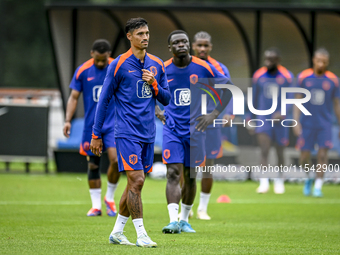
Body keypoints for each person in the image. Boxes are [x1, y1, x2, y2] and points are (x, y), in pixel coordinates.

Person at [90, 18, 171, 247]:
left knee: (135, 184)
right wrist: (96, 135)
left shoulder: (157, 64)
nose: (145, 37)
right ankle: (142, 234)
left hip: (148, 133)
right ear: (129, 37)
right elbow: (104, 100)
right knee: (136, 180)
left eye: (147, 33)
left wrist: (154, 84)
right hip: (126, 132)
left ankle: (117, 232)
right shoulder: (118, 65)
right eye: (140, 34)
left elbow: (166, 98)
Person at [158, 30, 231, 234]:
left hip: (196, 130)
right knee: (173, 173)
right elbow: (149, 90)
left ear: (188, 45)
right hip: (172, 129)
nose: (181, 45)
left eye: (184, 42)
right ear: (170, 47)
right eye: (176, 42)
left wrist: (213, 114)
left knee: (190, 176)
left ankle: (184, 220)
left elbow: (229, 88)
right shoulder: (162, 69)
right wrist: (157, 109)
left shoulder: (203, 67)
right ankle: (173, 220)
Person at [63, 39, 119, 217]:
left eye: (104, 59)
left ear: (108, 55)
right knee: (94, 165)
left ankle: (109, 198)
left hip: (113, 124)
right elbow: (73, 97)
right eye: (98, 59)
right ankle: (96, 206)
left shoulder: (117, 67)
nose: (101, 63)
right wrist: (67, 120)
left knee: (116, 160)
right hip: (92, 125)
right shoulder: (83, 70)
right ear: (91, 54)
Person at [191, 31, 233, 220]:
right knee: (189, 166)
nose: (202, 48)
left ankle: (203, 209)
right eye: (199, 45)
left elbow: (229, 90)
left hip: (212, 122)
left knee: (208, 166)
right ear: (193, 46)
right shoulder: (186, 65)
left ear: (210, 47)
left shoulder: (219, 67)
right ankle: (187, 206)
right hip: (190, 121)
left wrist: (230, 112)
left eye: (205, 45)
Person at [293, 48, 340, 197]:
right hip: (306, 123)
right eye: (319, 61)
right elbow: (297, 100)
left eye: (324, 62)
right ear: (314, 60)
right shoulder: (303, 77)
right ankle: (309, 178)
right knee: (304, 156)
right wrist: (296, 121)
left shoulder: (333, 80)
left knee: (322, 154)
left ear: (327, 63)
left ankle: (318, 186)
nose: (321, 64)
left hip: (324, 124)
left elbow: (337, 104)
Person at [251, 48, 294, 194]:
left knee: (280, 152)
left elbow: (291, 97)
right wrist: (250, 118)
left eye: (271, 60)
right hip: (263, 119)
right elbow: (253, 98)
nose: (267, 62)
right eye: (266, 59)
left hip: (280, 121)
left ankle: (279, 181)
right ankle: (264, 182)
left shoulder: (287, 76)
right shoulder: (258, 75)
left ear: (278, 61)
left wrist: (282, 112)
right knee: (264, 150)